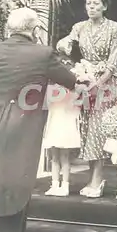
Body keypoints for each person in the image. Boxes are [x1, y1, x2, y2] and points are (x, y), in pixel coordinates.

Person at [0, 7, 78, 232]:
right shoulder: (42, 54)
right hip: (18, 127)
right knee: (14, 186)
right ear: (35, 30)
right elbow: (70, 81)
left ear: (8, 29)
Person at [57, 0, 117, 198]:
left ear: (104, 6)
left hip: (106, 82)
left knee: (98, 128)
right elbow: (64, 46)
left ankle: (97, 179)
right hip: (85, 80)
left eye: (96, 3)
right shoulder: (79, 27)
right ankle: (93, 178)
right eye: (88, 4)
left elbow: (114, 60)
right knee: (86, 129)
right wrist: (65, 45)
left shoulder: (115, 28)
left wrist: (99, 82)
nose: (91, 7)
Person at [42, 49, 83, 197]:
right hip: (54, 124)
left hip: (65, 125)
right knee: (54, 157)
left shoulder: (73, 91)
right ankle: (54, 184)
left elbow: (75, 107)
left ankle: (64, 185)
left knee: (64, 157)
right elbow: (48, 105)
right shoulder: (51, 89)